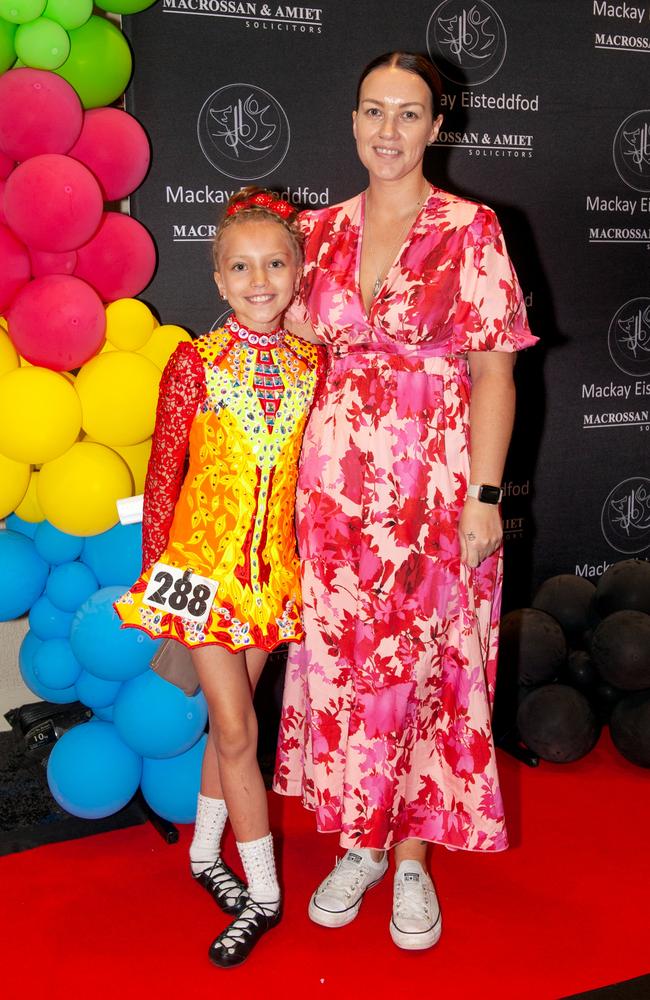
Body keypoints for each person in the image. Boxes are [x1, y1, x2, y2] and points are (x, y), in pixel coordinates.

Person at [273, 52, 538, 951]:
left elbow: (496, 376)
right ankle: (360, 844)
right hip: (333, 504)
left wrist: (485, 498)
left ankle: (415, 861)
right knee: (348, 678)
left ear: (437, 126)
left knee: (431, 678)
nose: (388, 131)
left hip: (436, 495)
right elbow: (287, 356)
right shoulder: (317, 231)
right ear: (352, 120)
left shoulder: (473, 229)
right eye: (373, 112)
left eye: (408, 113)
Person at [115, 187, 323, 968]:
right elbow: (163, 474)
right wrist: (157, 591)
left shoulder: (313, 364)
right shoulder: (194, 362)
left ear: (298, 270)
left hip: (272, 580)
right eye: (242, 266)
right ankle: (264, 895)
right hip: (199, 578)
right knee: (238, 730)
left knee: (226, 732)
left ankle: (206, 853)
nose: (260, 279)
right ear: (219, 278)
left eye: (275, 263)